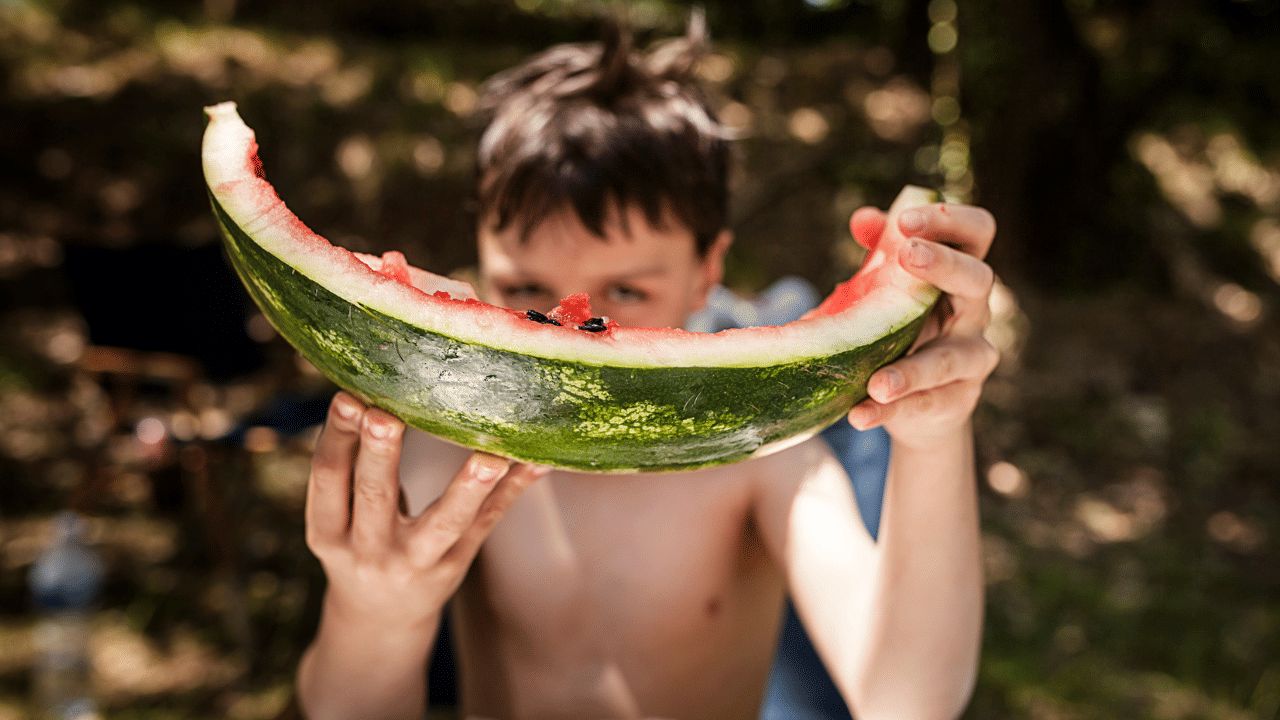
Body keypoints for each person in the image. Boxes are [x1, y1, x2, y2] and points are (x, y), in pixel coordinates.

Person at [293, 17, 997, 720]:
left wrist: (933, 440)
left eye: (625, 294)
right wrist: (374, 615)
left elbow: (908, 701)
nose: (571, 338)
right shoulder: (443, 456)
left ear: (707, 274)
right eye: (527, 292)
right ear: (482, 261)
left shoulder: (763, 460)